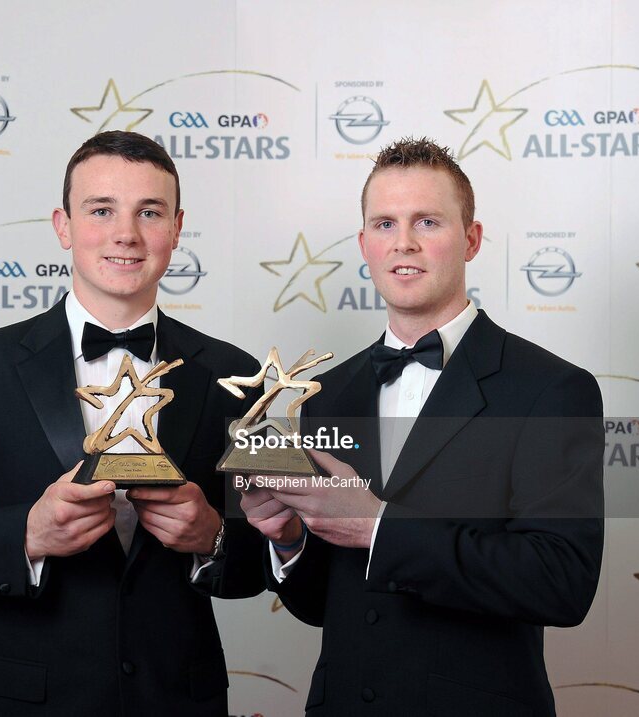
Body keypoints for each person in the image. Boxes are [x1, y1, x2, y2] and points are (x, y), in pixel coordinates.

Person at [0, 130, 264, 716]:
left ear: (178, 228)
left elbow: (267, 561)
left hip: (178, 699)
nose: (126, 234)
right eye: (101, 210)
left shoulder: (236, 374)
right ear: (63, 225)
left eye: (150, 212)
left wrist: (212, 538)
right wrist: (26, 536)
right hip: (23, 701)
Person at [240, 137, 604, 716]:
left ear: (471, 239)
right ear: (364, 245)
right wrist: (288, 540)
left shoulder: (550, 389)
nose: (403, 243)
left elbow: (562, 583)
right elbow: (321, 606)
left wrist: (380, 526)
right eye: (384, 223)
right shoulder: (326, 395)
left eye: (427, 221)